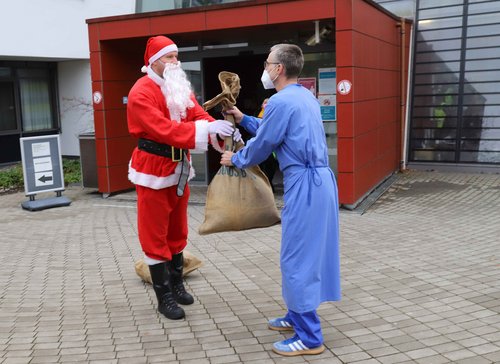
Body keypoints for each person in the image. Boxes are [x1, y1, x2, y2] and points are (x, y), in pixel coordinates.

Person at [221, 43, 341, 356]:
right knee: (308, 254)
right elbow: (275, 132)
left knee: (296, 258)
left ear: (278, 69)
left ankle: (310, 337)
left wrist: (236, 158)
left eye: (267, 61)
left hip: (305, 184)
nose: (265, 67)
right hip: (321, 182)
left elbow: (263, 145)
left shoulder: (279, 101)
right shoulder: (303, 97)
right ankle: (295, 315)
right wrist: (244, 118)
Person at [127, 35, 237, 320]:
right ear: (153, 61)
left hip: (179, 169)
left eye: (177, 56)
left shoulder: (179, 87)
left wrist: (220, 128)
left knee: (177, 230)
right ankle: (163, 296)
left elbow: (197, 114)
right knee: (154, 234)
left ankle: (176, 284)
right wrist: (203, 132)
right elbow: (162, 129)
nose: (175, 61)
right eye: (169, 57)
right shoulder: (141, 92)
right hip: (152, 170)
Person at [255, 98, 279, 191]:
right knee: (260, 166)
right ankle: (262, 185)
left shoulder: (274, 115)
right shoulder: (258, 115)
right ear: (261, 105)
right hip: (260, 145)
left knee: (271, 165)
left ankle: (269, 183)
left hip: (271, 146)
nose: (266, 104)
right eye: (265, 102)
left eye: (268, 103)